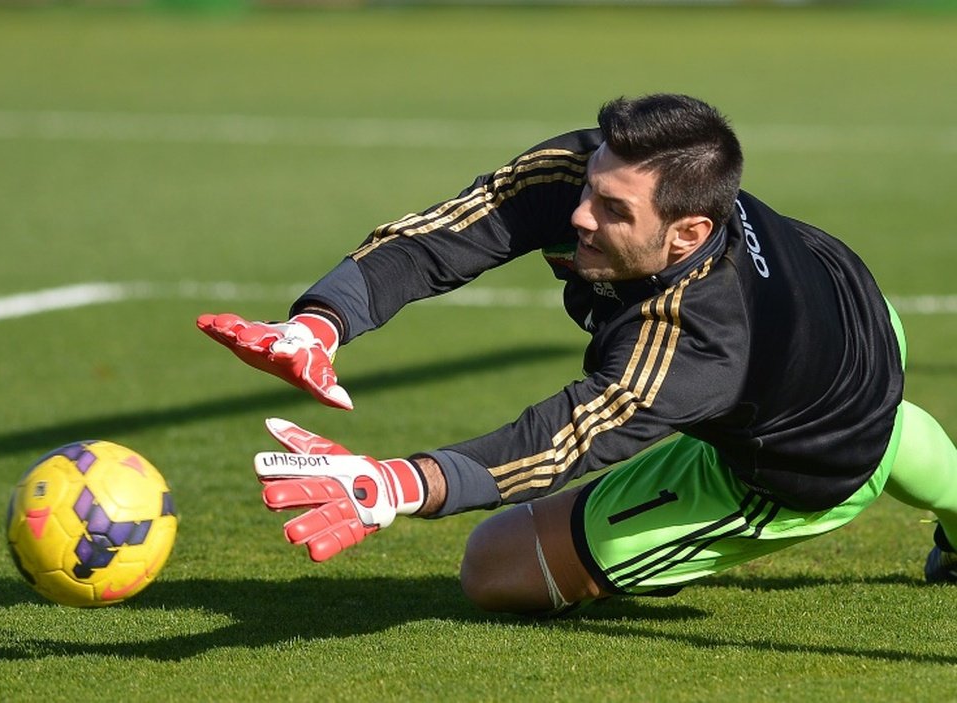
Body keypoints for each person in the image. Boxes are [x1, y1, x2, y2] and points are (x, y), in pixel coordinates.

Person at [198, 93, 957, 615]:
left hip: (810, 452)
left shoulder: (695, 341)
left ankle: (872, 455)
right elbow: (452, 232)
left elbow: (563, 438)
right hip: (858, 305)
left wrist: (393, 485)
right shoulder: (591, 170)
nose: (579, 215)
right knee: (872, 408)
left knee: (494, 567)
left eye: (613, 211)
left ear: (688, 233)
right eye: (592, 185)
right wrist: (318, 324)